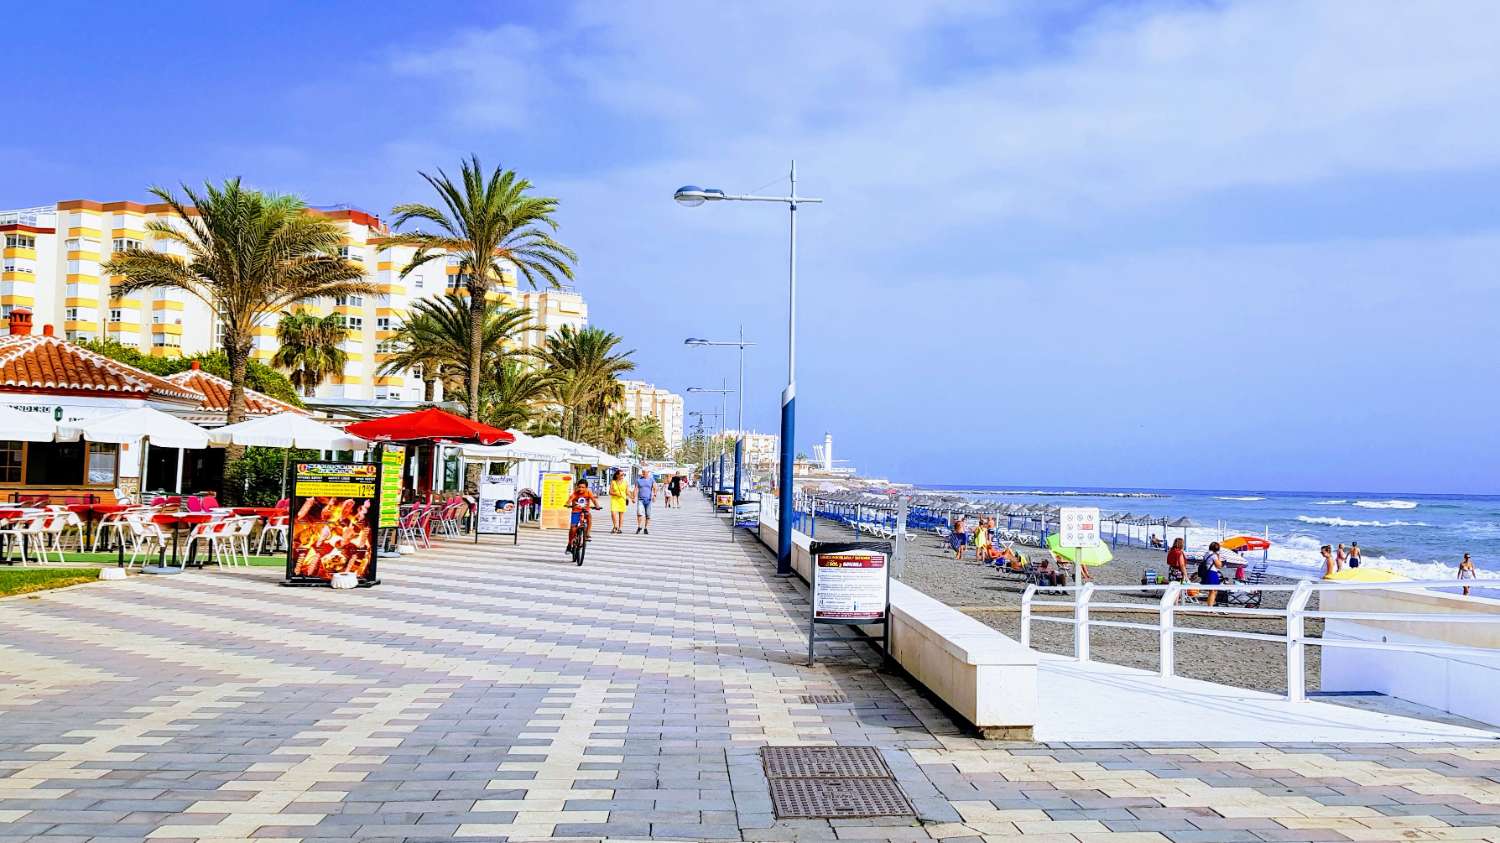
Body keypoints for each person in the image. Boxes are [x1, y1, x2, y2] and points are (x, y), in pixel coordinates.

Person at [566, 478, 599, 552]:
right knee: (573, 528)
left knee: (589, 516)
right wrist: (567, 504)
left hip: (585, 511)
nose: (581, 489)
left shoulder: (588, 492)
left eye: (583, 487)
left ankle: (587, 534)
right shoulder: (575, 493)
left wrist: (597, 506)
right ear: (577, 487)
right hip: (576, 511)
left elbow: (594, 500)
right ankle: (569, 543)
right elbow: (570, 499)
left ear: (586, 488)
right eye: (579, 487)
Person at [1199, 541, 1224, 607]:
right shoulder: (1214, 555)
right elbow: (1219, 565)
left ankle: (1210, 606)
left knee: (1212, 590)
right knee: (1213, 591)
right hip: (1212, 573)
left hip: (1207, 572)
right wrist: (1219, 557)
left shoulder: (1206, 554)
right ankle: (1210, 607)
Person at [632, 466, 656, 534]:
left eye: (645, 472)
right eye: (643, 472)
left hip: (648, 500)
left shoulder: (652, 480)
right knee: (639, 513)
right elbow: (636, 489)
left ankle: (646, 528)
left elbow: (655, 488)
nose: (644, 474)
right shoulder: (639, 480)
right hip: (640, 499)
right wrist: (634, 497)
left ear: (648, 473)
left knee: (648, 515)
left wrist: (654, 495)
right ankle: (639, 526)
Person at [607, 468, 628, 533]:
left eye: (623, 475)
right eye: (621, 475)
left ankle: (620, 528)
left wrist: (632, 497)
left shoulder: (625, 482)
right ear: (617, 475)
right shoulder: (613, 482)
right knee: (613, 513)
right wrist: (616, 493)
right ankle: (615, 526)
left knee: (621, 515)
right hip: (614, 499)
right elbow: (610, 492)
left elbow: (627, 492)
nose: (622, 476)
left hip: (622, 499)